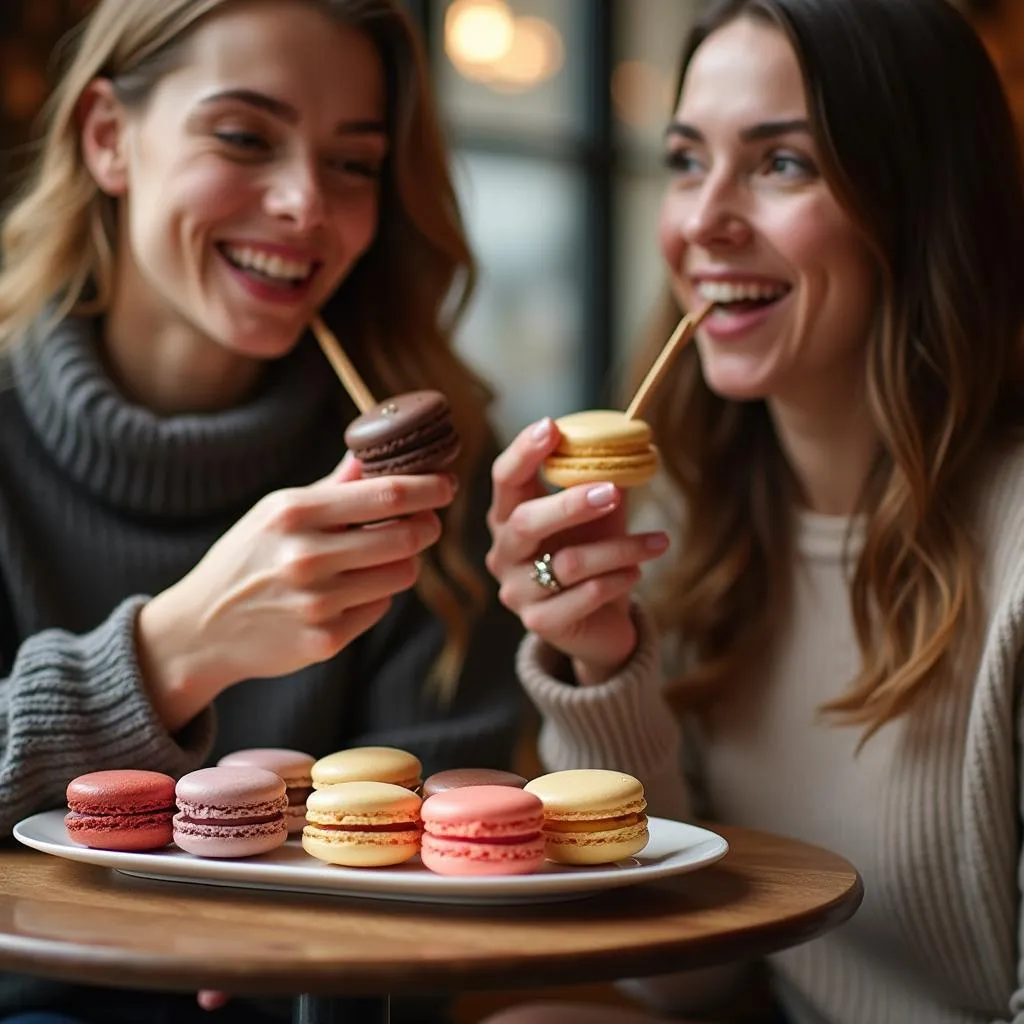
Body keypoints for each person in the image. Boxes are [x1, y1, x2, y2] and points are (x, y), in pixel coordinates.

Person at [483, 0, 1024, 1022]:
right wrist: (602, 664)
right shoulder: (682, 522)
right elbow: (679, 975)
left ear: (916, 202)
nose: (702, 222)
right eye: (687, 161)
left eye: (782, 164)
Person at [0, 0, 524, 1021]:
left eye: (354, 163)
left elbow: (443, 871)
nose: (305, 205)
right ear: (109, 137)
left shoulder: (428, 469)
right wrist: (168, 651)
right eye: (244, 137)